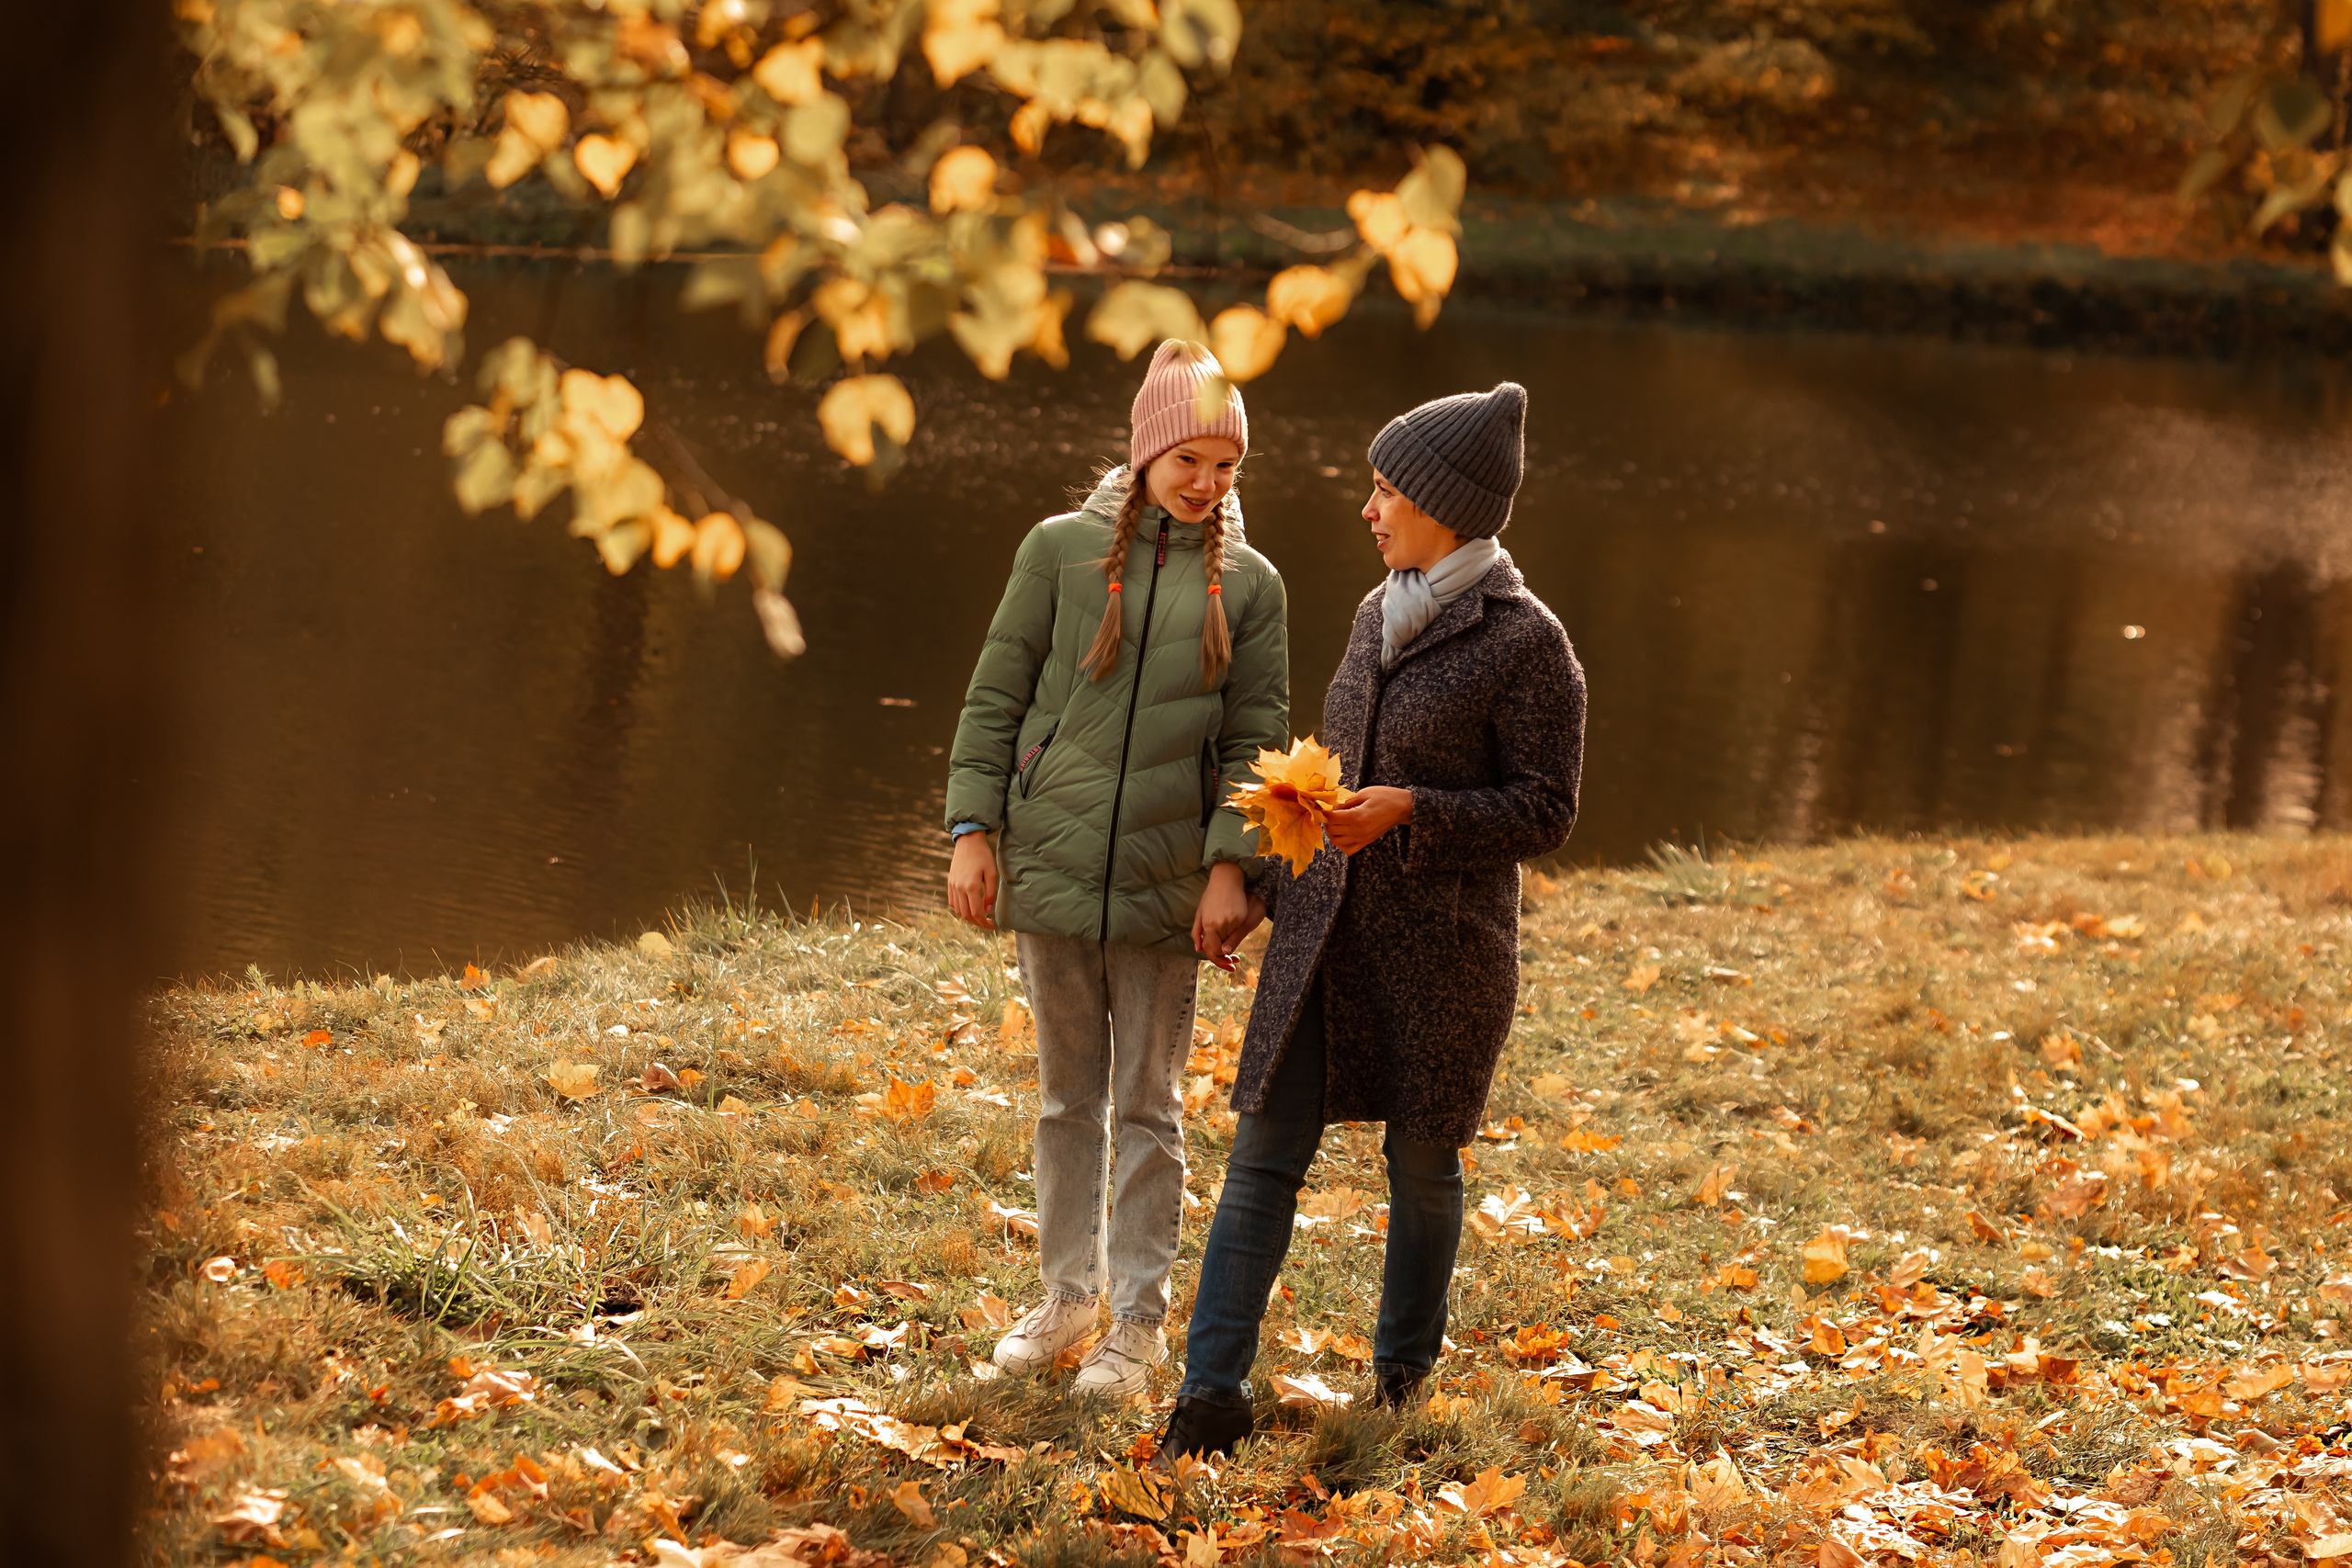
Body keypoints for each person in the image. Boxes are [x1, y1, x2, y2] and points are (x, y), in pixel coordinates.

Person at [1157, 381, 1587, 1459]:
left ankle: (1399, 1385)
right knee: (1260, 1154)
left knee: (1420, 1166)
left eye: (1387, 489)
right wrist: (1260, 890)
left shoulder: (1530, 643)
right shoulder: (1373, 609)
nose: (1368, 507)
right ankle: (1209, 1399)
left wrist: (1415, 811)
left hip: (1443, 957)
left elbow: (1546, 808)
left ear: (1447, 504)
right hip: (1320, 942)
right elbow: (1332, 781)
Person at [944, 340, 1291, 1398]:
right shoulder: (1055, 551)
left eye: (1225, 466)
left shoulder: (1254, 585)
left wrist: (1233, 870)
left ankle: (1134, 1323)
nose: (1206, 483)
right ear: (1144, 454)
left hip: (1166, 884)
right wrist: (973, 828)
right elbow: (995, 698)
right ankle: (1066, 1297)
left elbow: (1255, 741)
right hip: (1048, 861)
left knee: (1149, 1107)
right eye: (1189, 459)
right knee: (1065, 1103)